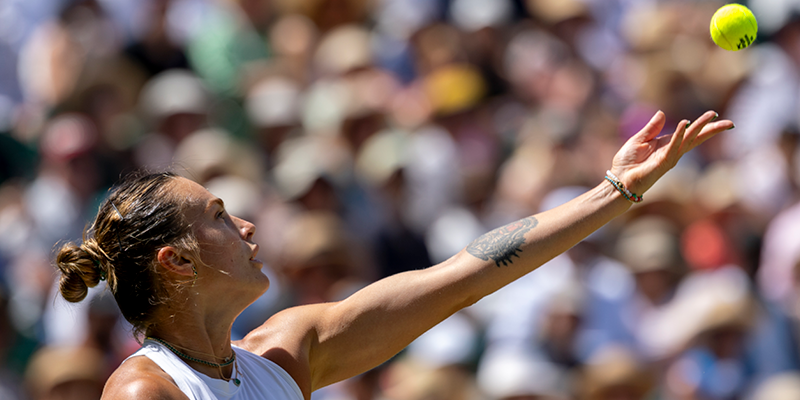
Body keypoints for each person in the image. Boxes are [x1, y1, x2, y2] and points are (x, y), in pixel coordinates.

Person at [53, 110, 732, 400]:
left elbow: (465, 275)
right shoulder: (147, 392)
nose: (251, 228)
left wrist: (613, 191)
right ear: (177, 261)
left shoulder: (288, 351)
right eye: (221, 218)